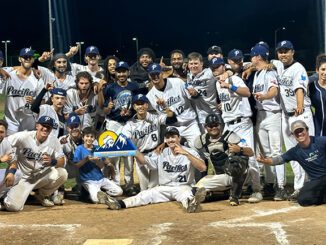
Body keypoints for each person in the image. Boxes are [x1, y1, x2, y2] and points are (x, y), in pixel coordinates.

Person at [103, 127, 207, 213]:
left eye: (173, 137)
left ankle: (191, 204)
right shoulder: (161, 153)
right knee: (145, 194)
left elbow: (203, 167)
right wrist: (133, 148)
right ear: (165, 140)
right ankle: (119, 204)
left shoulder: (189, 152)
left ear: (179, 138)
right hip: (164, 188)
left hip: (183, 187)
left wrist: (186, 154)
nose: (171, 139)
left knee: (186, 195)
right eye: (168, 137)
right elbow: (144, 161)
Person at [210, 57, 262, 202]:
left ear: (223, 66)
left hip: (242, 123)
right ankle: (235, 191)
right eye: (213, 67)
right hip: (228, 125)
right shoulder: (217, 83)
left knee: (249, 157)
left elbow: (247, 93)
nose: (215, 69)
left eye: (218, 67)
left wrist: (230, 86)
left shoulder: (234, 79)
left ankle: (257, 190)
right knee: (231, 159)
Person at [274, 40, 315, 200]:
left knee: (308, 151)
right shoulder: (278, 65)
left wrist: (298, 106)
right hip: (286, 116)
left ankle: (314, 185)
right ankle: (299, 187)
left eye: (286, 51)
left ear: (293, 52)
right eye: (280, 51)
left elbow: (299, 88)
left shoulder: (298, 69)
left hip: (300, 115)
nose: (283, 54)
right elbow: (264, 62)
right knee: (293, 154)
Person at [0, 116, 68, 211]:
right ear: (37, 126)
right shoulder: (24, 137)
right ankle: (6, 197)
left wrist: (52, 161)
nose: (45, 128)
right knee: (13, 207)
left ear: (51, 129)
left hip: (40, 176)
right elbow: (5, 141)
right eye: (43, 125)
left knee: (62, 173)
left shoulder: (54, 141)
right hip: (22, 178)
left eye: (48, 127)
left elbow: (62, 161)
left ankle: (42, 195)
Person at [257, 120, 326, 206]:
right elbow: (279, 159)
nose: (299, 133)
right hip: (316, 181)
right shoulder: (295, 151)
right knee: (303, 200)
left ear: (307, 130)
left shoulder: (320, 141)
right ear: (293, 135)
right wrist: (265, 161)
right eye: (296, 132)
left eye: (301, 130)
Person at [251, 44, 286, 201]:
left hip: (272, 115)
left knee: (276, 151)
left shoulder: (269, 71)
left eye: (252, 56)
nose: (250, 59)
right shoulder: (258, 72)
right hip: (261, 116)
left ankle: (281, 186)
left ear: (258, 57)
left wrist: (265, 96)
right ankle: (270, 184)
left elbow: (274, 91)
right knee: (264, 152)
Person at [194, 114, 253, 205]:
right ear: (205, 127)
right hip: (219, 177)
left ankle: (234, 196)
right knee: (196, 190)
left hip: (234, 175)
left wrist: (240, 149)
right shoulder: (202, 140)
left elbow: (251, 152)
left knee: (239, 160)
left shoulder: (231, 136)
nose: (213, 128)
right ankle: (220, 195)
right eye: (210, 126)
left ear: (220, 125)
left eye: (216, 125)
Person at [123, 94, 177, 191]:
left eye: (142, 103)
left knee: (155, 188)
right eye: (137, 104)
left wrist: (165, 107)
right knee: (144, 189)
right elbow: (125, 140)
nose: (140, 106)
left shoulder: (155, 117)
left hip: (156, 154)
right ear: (134, 107)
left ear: (147, 105)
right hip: (141, 156)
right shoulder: (130, 124)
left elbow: (172, 119)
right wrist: (136, 153)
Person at [100, 61, 139, 196]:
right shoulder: (110, 88)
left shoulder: (134, 87)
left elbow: (137, 105)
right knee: (114, 155)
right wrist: (108, 108)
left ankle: (129, 184)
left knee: (128, 155)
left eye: (124, 71)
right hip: (114, 122)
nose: (121, 74)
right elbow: (104, 109)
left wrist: (131, 113)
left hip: (128, 123)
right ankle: (115, 184)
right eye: (119, 71)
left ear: (128, 72)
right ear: (115, 73)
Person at [146, 63, 201, 147]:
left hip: (190, 124)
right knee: (173, 154)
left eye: (157, 73)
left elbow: (194, 98)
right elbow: (163, 118)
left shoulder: (177, 82)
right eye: (152, 74)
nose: (155, 76)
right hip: (172, 127)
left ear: (162, 74)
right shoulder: (150, 96)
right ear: (149, 76)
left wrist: (195, 93)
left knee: (198, 147)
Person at [0, 48, 44, 135]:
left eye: (30, 57)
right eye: (25, 57)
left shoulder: (38, 79)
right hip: (10, 122)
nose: (27, 59)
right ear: (19, 59)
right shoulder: (8, 75)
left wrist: (34, 102)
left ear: (33, 60)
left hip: (29, 122)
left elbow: (43, 102)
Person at [73, 127, 123, 203]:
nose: (89, 139)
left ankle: (103, 194)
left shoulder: (97, 148)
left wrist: (98, 162)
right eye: (87, 136)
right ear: (83, 138)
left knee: (119, 191)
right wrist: (86, 159)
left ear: (94, 139)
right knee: (95, 199)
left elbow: (102, 166)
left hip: (100, 178)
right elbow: (76, 166)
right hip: (88, 180)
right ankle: (98, 194)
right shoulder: (79, 149)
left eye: (92, 137)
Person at [186, 52, 220, 132]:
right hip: (200, 115)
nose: (193, 66)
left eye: (196, 63)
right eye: (191, 64)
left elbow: (225, 70)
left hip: (213, 112)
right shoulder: (189, 75)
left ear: (201, 63)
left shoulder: (209, 72)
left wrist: (228, 72)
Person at [0, 120, 22, 208]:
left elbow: (13, 162)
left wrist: (11, 173)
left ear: (5, 134)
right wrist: (0, 160)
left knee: (17, 173)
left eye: (1, 132)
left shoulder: (5, 143)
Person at [309, 54, 326, 136]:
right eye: (323, 69)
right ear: (317, 70)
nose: (325, 73)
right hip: (318, 128)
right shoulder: (311, 86)